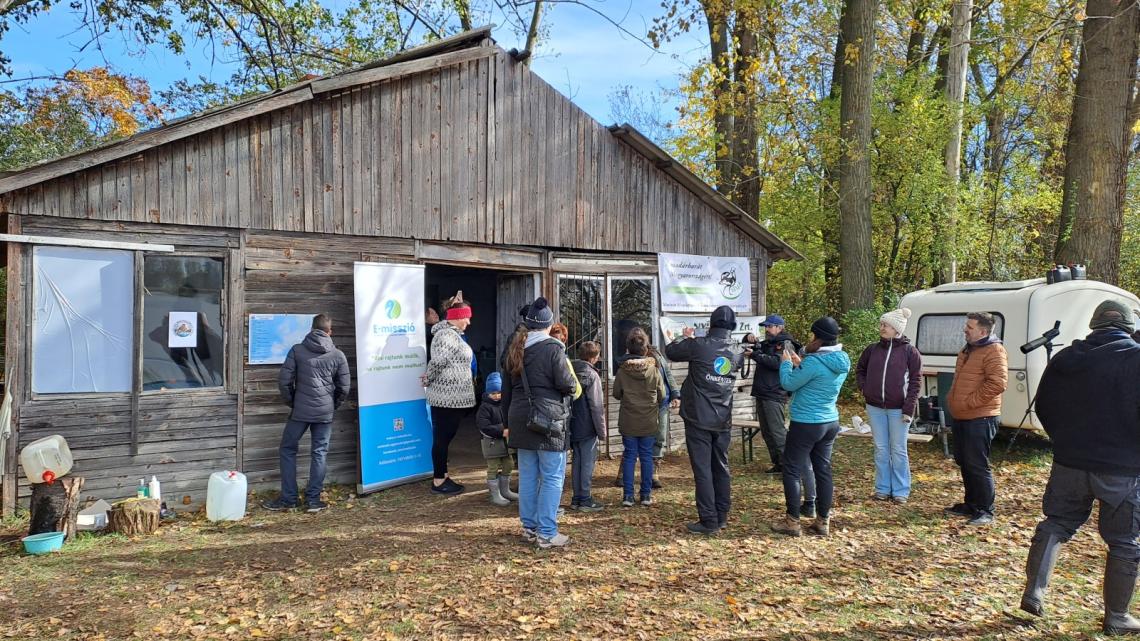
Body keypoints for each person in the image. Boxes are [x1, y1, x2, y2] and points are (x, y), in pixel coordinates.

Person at [1019, 300, 1140, 634]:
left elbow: (1042, 405)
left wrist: (1064, 440)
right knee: (1124, 542)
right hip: (1122, 469)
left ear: (1094, 325)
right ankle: (1117, 616)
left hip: (1070, 462)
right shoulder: (1135, 359)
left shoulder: (1065, 358)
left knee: (1056, 523)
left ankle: (1034, 591)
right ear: (1129, 327)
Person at [502, 297, 581, 549]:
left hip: (519, 418)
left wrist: (507, 422)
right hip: (548, 420)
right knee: (551, 476)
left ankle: (529, 527)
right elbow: (568, 384)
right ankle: (547, 532)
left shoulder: (514, 348)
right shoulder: (553, 348)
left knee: (527, 475)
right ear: (548, 325)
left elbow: (506, 391)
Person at [664, 306, 745, 535]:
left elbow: (672, 351)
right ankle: (722, 515)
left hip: (698, 417)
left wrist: (685, 336)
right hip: (723, 417)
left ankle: (709, 520)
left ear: (712, 323)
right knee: (721, 466)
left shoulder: (699, 345)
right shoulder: (737, 351)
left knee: (703, 469)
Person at [770, 316, 850, 537]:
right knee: (823, 470)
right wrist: (800, 365)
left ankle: (792, 522)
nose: (810, 339)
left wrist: (786, 364)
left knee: (792, 470)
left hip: (806, 422)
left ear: (819, 338)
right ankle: (823, 521)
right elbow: (817, 377)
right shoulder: (842, 359)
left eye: (813, 335)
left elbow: (788, 383)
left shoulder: (814, 362)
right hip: (830, 421)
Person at [263, 314, 350, 513]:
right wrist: (332, 405)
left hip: (300, 411)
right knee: (319, 453)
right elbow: (344, 388)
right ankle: (313, 501)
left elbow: (284, 382)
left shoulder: (297, 350)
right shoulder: (337, 355)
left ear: (311, 329)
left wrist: (293, 402)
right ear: (330, 331)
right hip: (324, 412)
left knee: (287, 449)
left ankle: (289, 499)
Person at [944, 311, 1008, 526]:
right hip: (962, 416)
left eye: (969, 327)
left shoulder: (994, 350)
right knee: (964, 460)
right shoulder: (968, 349)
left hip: (980, 417)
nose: (965, 330)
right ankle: (971, 504)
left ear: (983, 331)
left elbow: (998, 383)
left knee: (977, 464)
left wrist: (968, 402)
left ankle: (985, 511)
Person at [855, 308, 922, 504]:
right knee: (881, 448)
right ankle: (882, 488)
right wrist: (865, 389)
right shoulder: (872, 349)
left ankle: (901, 490)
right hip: (874, 407)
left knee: (898, 449)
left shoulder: (911, 352)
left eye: (886, 325)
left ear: (897, 329)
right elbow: (860, 370)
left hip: (899, 410)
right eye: (882, 324)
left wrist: (909, 408)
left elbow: (916, 382)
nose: (882, 328)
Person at [423, 296, 477, 495]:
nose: (469, 322)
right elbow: (438, 361)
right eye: (467, 318)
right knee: (442, 439)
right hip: (445, 399)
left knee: (445, 437)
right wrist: (428, 378)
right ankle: (438, 480)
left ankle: (443, 475)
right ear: (458, 316)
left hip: (454, 399)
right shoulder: (445, 335)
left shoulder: (454, 334)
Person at [613, 327, 680, 490]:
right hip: (639, 406)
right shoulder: (625, 361)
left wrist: (675, 394)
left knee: (658, 438)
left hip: (659, 403)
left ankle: (653, 473)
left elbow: (668, 375)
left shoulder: (656, 355)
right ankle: (625, 473)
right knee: (633, 440)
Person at [744, 314, 802, 475]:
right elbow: (758, 349)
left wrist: (755, 355)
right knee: (766, 431)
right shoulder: (769, 342)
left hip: (775, 392)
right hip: (763, 391)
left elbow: (778, 363)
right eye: (765, 327)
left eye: (770, 326)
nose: (767, 329)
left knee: (777, 431)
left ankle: (789, 466)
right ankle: (778, 464)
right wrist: (749, 339)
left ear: (779, 327)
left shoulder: (786, 343)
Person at [568, 341, 606, 512]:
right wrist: (602, 430)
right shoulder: (592, 376)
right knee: (587, 463)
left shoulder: (569, 370)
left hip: (572, 423)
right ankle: (585, 498)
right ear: (594, 357)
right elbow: (596, 406)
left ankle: (576, 497)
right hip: (588, 425)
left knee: (576, 462)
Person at [477, 372, 517, 506]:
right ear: (487, 393)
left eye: (499, 392)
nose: (496, 395)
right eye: (493, 393)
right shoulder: (484, 408)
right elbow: (484, 426)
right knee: (493, 467)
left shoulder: (505, 404)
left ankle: (505, 490)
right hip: (492, 442)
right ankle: (495, 494)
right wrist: (502, 430)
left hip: (505, 442)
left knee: (509, 464)